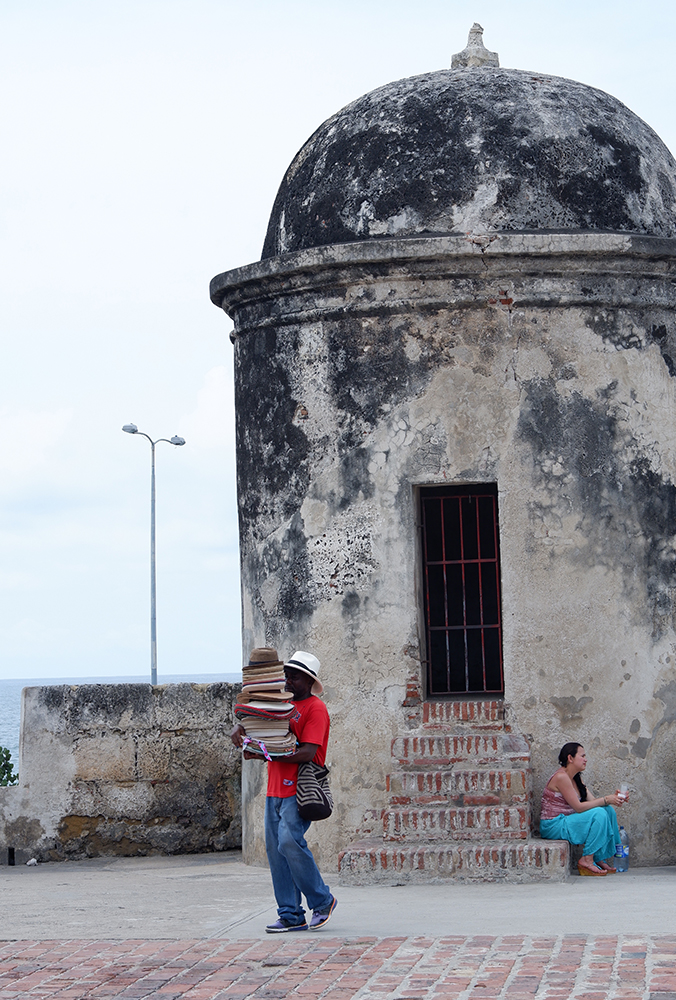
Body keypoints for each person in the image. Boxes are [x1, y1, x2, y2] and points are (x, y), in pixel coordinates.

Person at [231, 648, 337, 932]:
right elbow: (261, 731)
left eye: (295, 677)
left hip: (300, 787)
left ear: (309, 681)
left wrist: (269, 753)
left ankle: (322, 900)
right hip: (275, 788)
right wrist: (243, 734)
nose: (288, 681)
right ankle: (290, 914)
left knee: (289, 842)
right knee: (277, 852)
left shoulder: (316, 708)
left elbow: (308, 753)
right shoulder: (279, 705)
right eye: (286, 676)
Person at [539, 742, 627, 876]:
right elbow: (579, 807)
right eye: (582, 756)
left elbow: (594, 802)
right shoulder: (561, 777)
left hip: (567, 820)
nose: (585, 759)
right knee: (599, 814)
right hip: (554, 824)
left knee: (608, 811)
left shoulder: (576, 779)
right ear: (570, 758)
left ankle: (598, 857)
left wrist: (614, 799)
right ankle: (587, 859)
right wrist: (606, 799)